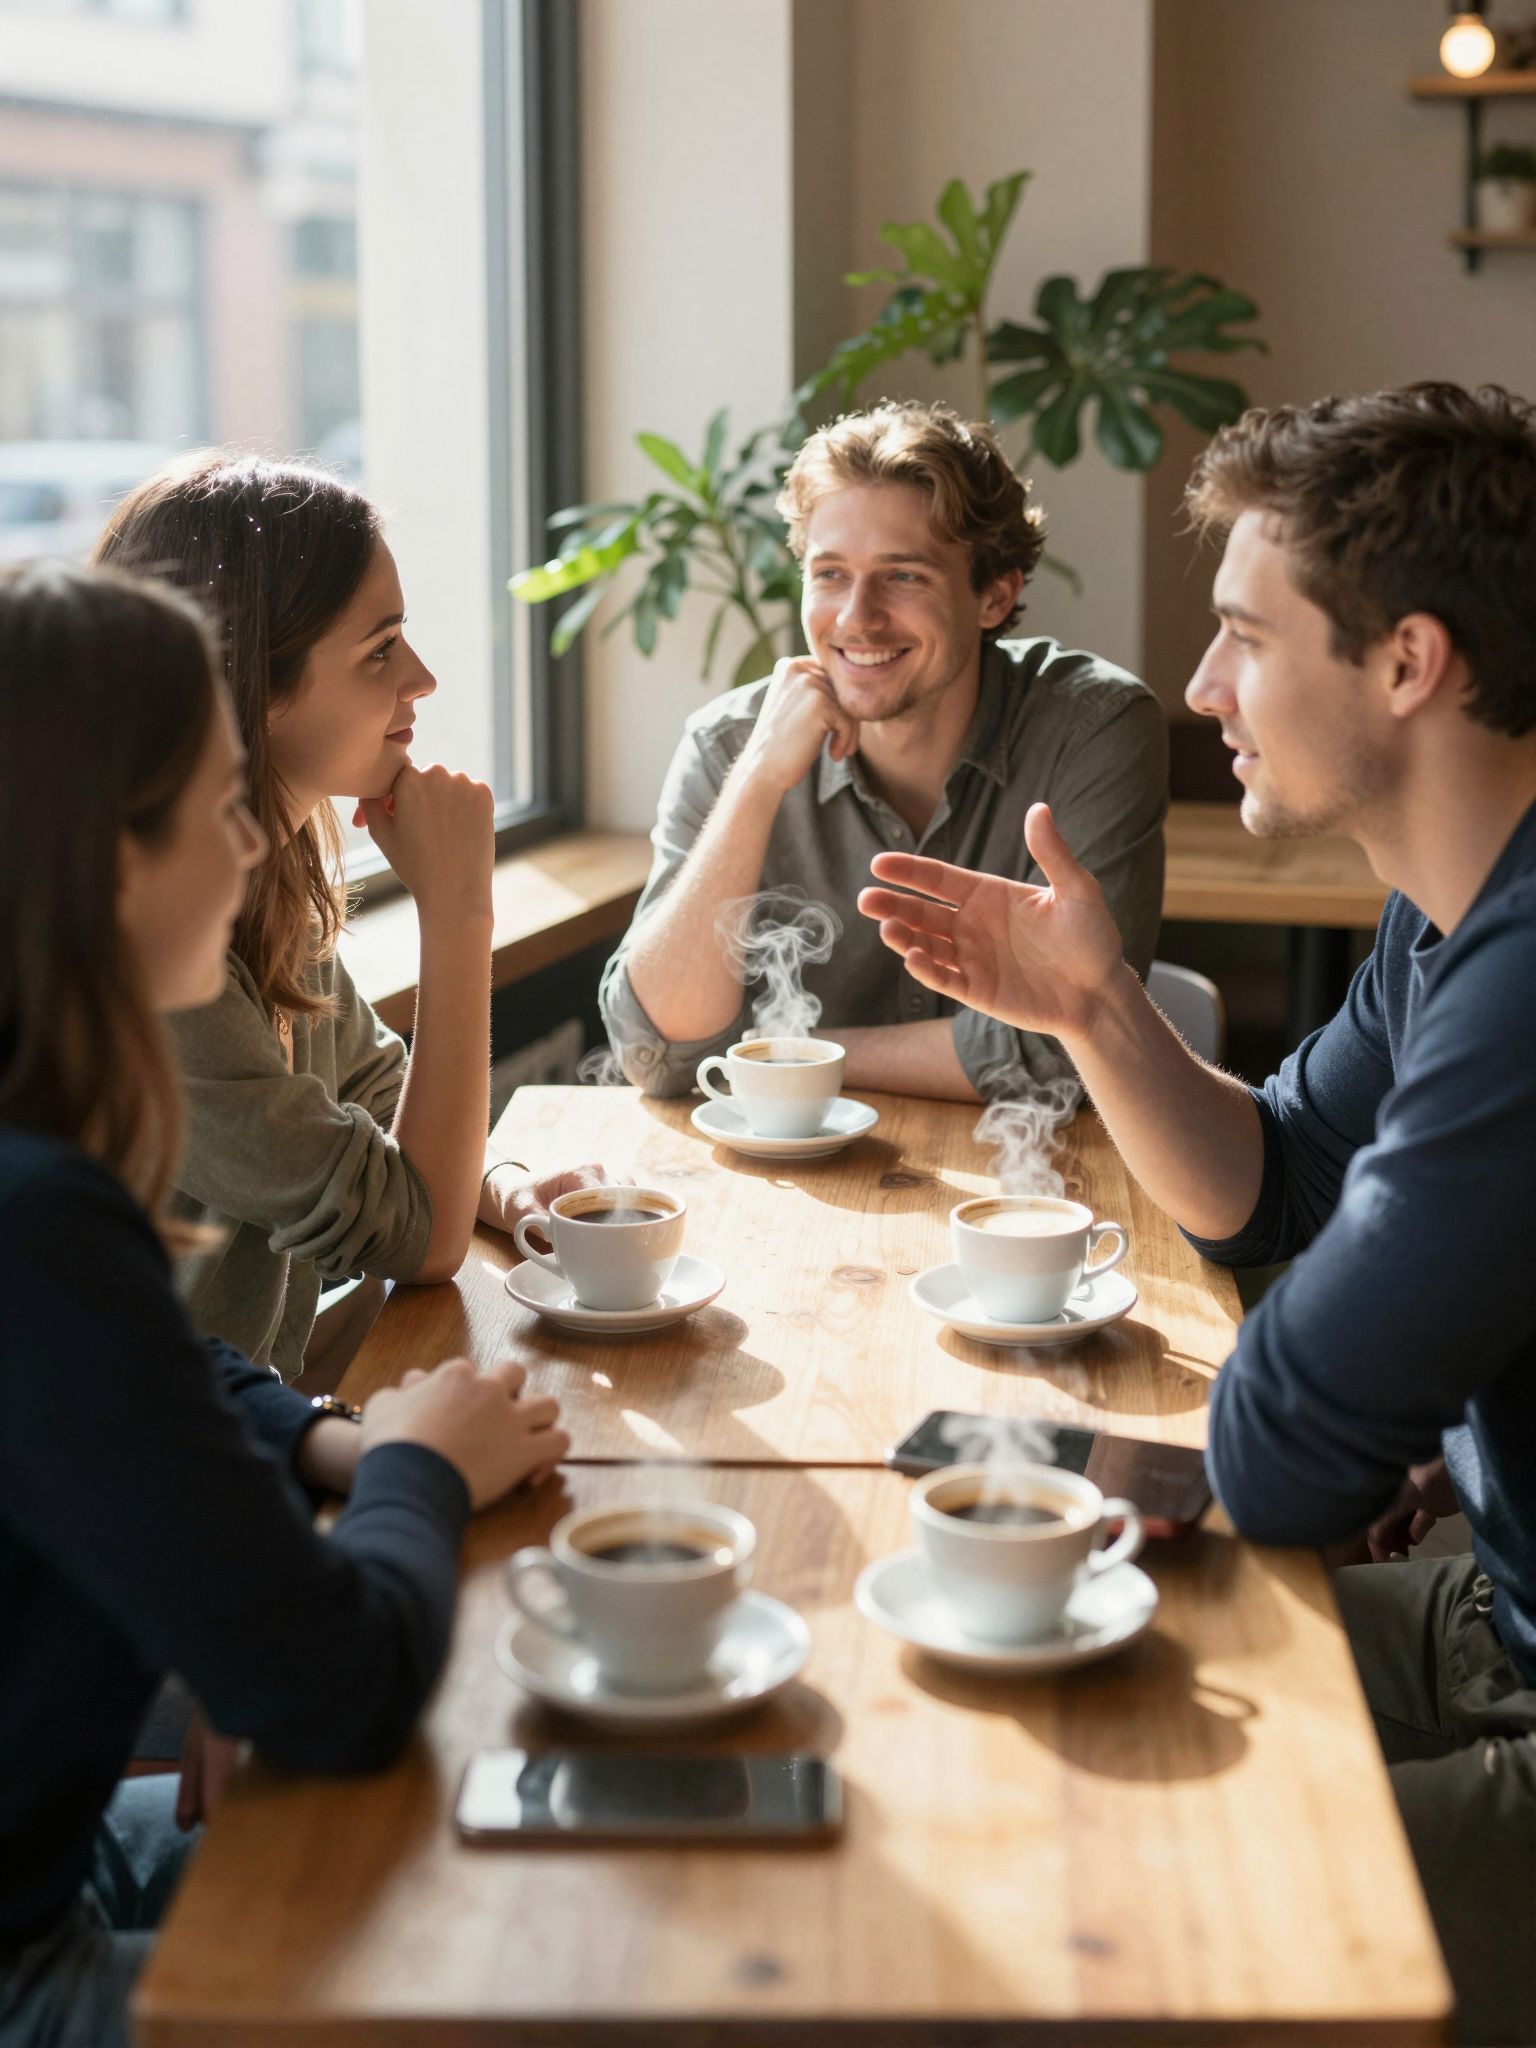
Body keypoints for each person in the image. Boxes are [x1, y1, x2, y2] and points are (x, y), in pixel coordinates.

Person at [858, 381, 1536, 2045]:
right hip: (1496, 1600)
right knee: (994, 1697)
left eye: (1243, 633)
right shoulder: (1446, 914)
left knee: (1099, 1920)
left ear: (1407, 661)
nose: (1199, 685)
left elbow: (1289, 1444)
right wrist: (1093, 1009)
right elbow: (1272, 1188)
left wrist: (1360, 1413)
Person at [0, 560, 570, 2048]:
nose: (258, 842)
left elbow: (139, 1364)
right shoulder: (41, 1214)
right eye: (220, 804)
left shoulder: (36, 1180)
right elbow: (344, 1686)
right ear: (109, 862)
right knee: (543, 1958)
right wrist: (418, 1469)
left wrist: (320, 1436)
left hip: (43, 1869)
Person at [94, 455, 601, 1382]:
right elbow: (420, 1238)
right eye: (380, 651)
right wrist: (458, 913)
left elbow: (367, 1091)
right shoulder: (153, 962)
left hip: (259, 1430)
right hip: (159, 1479)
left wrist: (501, 1183)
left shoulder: (266, 875)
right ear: (255, 686)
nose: (423, 678)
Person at [599, 401, 1166, 1103]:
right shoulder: (727, 745)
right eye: (829, 573)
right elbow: (656, 1053)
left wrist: (785, 1058)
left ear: (995, 595)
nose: (856, 617)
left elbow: (1076, 1045)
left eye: (903, 576)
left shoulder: (1094, 728)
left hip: (1022, 1188)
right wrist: (757, 780)